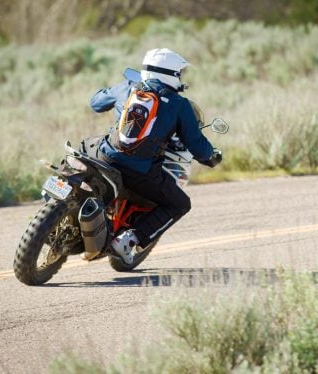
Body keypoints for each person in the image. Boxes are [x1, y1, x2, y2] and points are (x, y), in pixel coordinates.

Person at [83, 48, 222, 264]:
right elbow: (196, 145)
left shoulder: (128, 87)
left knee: (84, 151)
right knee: (180, 204)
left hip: (104, 156)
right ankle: (129, 240)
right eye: (179, 74)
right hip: (137, 172)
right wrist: (211, 157)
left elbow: (96, 103)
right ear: (170, 74)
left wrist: (112, 91)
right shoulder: (178, 104)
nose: (181, 78)